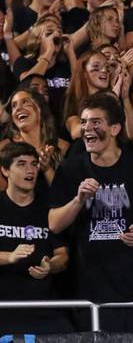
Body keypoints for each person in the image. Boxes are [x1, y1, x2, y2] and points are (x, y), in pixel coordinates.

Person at [48, 93, 133, 331]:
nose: (86, 129)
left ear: (114, 128)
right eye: (83, 122)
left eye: (95, 122)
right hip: (90, 292)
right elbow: (55, 224)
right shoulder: (71, 169)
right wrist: (78, 200)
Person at [0, 142, 71, 333]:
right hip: (4, 309)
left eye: (33, 164)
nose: (30, 170)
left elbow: (62, 255)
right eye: (21, 164)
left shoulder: (49, 208)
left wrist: (51, 266)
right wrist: (10, 257)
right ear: (5, 170)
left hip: (44, 310)